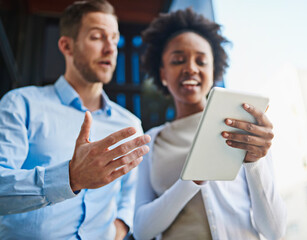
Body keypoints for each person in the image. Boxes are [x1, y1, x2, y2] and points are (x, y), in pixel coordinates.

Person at [0, 0, 151, 239]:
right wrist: (71, 178)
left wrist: (122, 225)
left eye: (114, 38)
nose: (110, 48)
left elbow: (129, 193)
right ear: (67, 46)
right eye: (97, 37)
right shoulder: (21, 104)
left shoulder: (129, 125)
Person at [133, 8, 287, 240]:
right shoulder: (151, 142)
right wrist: (191, 179)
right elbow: (142, 230)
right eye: (178, 60)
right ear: (162, 73)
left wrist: (255, 164)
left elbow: (275, 231)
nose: (191, 68)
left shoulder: (246, 130)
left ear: (214, 70)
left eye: (201, 61)